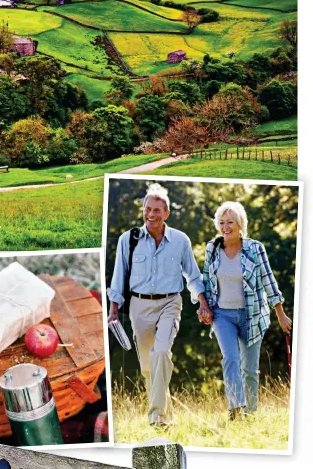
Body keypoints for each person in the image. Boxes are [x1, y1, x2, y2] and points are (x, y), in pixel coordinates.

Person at [108, 183, 212, 427]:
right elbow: (118, 275)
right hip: (139, 306)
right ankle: (165, 414)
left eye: (157, 210)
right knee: (148, 367)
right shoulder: (129, 239)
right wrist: (114, 310)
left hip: (170, 303)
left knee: (162, 351)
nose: (151, 215)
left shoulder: (180, 240)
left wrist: (203, 304)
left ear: (166, 213)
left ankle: (157, 418)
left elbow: (193, 276)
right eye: (147, 209)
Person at [200, 201, 292, 420]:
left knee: (249, 369)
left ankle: (250, 414)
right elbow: (204, 281)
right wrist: (203, 306)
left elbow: (268, 281)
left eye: (230, 222)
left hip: (252, 315)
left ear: (240, 224)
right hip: (222, 314)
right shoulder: (212, 249)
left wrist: (280, 313)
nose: (225, 227)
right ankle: (235, 408)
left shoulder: (254, 248)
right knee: (230, 358)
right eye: (221, 222)